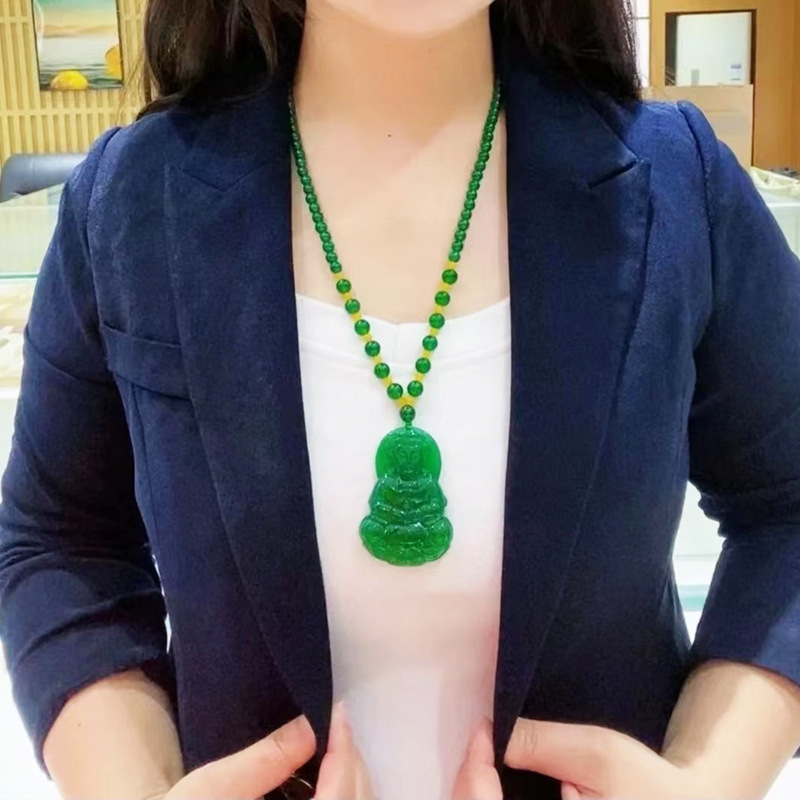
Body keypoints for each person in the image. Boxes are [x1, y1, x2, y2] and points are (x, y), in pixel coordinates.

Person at [2, 0, 800, 798]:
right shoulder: (129, 201)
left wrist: (713, 779)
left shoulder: (680, 184)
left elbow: (787, 506)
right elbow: (60, 541)